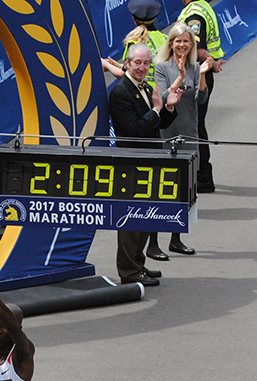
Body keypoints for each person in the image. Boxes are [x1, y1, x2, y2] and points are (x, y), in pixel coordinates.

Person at [107, 43, 178, 287]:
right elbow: (135, 130)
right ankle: (128, 272)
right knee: (130, 221)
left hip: (150, 162)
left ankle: (138, 265)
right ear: (127, 63)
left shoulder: (144, 87)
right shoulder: (120, 93)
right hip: (131, 165)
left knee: (145, 218)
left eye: (146, 63)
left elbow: (158, 123)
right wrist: (157, 109)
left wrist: (168, 106)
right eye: (137, 62)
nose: (142, 67)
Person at [146, 22, 210, 261]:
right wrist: (180, 77)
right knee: (162, 191)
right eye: (178, 41)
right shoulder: (162, 66)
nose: (182, 45)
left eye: (186, 41)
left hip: (189, 133)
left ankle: (176, 239)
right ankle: (152, 243)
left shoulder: (194, 67)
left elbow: (201, 99)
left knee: (184, 191)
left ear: (192, 44)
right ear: (171, 43)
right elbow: (161, 98)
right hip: (166, 133)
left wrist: (201, 75)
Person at [179, 0, 223, 193]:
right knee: (197, 125)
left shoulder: (193, 14)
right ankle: (202, 174)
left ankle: (203, 176)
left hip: (197, 74)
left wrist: (212, 63)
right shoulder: (203, 5)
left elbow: (198, 49)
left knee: (195, 126)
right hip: (202, 73)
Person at [99, 0, 167, 92]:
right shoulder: (165, 38)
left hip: (147, 94)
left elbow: (127, 76)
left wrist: (106, 65)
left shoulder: (135, 42)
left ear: (133, 19)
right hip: (165, 91)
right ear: (154, 18)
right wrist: (119, 65)